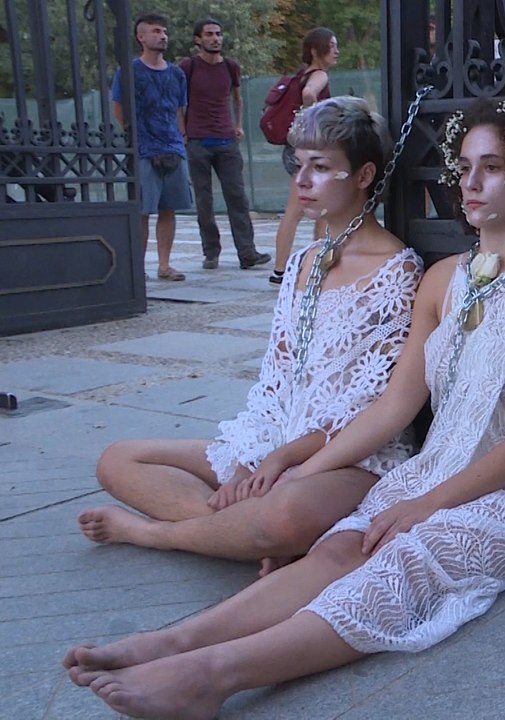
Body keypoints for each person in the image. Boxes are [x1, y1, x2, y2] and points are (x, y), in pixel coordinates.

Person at [64, 95, 505, 719]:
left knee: (402, 560)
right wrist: (304, 472)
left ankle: (212, 676)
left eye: (493, 167)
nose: (469, 183)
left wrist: (426, 505)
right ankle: (173, 640)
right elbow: (397, 403)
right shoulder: (444, 276)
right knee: (341, 549)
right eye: (464, 166)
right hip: (437, 469)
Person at [78, 97, 423, 572]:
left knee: (284, 513)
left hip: (348, 459)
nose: (301, 181)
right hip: (274, 439)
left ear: (363, 176)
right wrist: (250, 457)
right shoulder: (303, 261)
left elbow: (368, 407)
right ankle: (242, 531)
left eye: (320, 167)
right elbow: (276, 375)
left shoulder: (396, 269)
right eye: (298, 165)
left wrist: (281, 460)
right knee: (117, 459)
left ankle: (157, 533)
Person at [180, 18, 272, 272]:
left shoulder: (230, 66)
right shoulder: (188, 67)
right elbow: (178, 101)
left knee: (238, 198)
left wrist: (238, 124)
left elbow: (237, 98)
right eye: (209, 34)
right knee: (204, 201)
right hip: (198, 141)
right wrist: (183, 131)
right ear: (198, 39)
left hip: (226, 141)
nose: (215, 38)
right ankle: (211, 252)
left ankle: (247, 253)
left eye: (218, 34)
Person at [112, 13, 191, 281]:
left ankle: (164, 265)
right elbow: (118, 104)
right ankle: (138, 265)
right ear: (141, 36)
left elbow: (179, 107)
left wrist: (181, 137)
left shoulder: (177, 73)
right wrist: (131, 135)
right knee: (143, 210)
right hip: (145, 149)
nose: (163, 35)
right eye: (156, 31)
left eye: (164, 31)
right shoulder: (129, 71)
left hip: (173, 147)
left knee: (169, 208)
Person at [270, 27, 338, 285]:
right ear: (315, 50)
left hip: (296, 149)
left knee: (312, 209)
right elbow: (309, 94)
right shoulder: (318, 75)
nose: (336, 51)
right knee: (300, 210)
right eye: (331, 46)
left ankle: (302, 266)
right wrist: (317, 122)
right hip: (309, 150)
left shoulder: (301, 74)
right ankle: (286, 269)